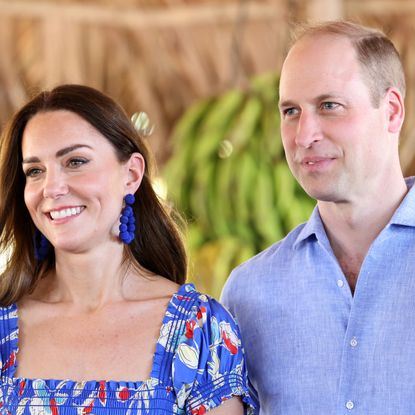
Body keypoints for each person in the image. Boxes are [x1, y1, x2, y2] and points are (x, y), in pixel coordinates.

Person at [0, 84, 255, 414]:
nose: (51, 188)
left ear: (131, 174)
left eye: (75, 161)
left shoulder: (200, 330)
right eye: (35, 171)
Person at [221, 20, 414, 414]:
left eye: (329, 106)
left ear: (391, 111)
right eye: (290, 111)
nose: (303, 134)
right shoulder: (248, 293)